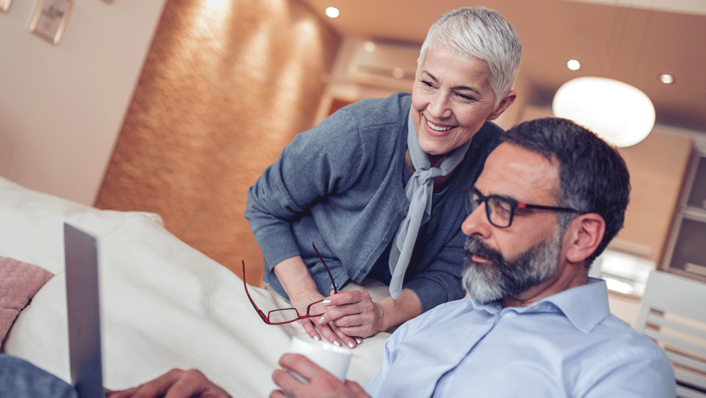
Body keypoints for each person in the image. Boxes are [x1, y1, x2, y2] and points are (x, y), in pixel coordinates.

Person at [267, 117, 676, 397]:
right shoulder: (432, 323)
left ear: (582, 236)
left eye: (502, 207)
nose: (470, 225)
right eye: (477, 201)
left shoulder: (625, 367)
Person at [244, 6, 521, 349]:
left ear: (500, 106)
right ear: (417, 72)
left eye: (464, 95)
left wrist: (382, 314)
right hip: (303, 287)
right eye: (428, 83)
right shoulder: (355, 133)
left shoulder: (495, 163)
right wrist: (305, 297)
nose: (437, 109)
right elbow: (264, 205)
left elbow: (452, 271)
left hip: (399, 309)